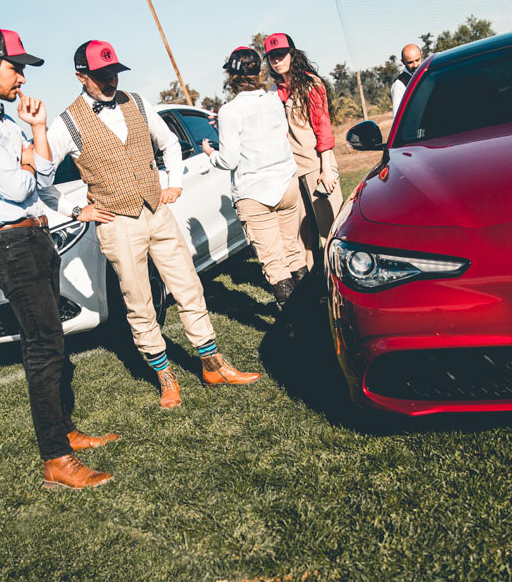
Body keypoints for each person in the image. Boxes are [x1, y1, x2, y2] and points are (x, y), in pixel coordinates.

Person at [39, 40, 261, 410]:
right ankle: (166, 378)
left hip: (157, 212)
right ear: (81, 76)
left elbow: (170, 143)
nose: (111, 80)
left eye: (114, 72)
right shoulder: (67, 123)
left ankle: (213, 365)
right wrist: (77, 211)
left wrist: (173, 183)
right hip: (116, 223)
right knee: (139, 303)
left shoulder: (137, 103)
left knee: (188, 287)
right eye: (101, 75)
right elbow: (40, 180)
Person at [0, 28, 115, 490]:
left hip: (32, 237)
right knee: (43, 344)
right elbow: (19, 185)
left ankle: (65, 432)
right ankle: (55, 458)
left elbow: (40, 180)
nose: (22, 78)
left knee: (51, 340)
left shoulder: (1, 120)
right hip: (9, 243)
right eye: (15, 67)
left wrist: (35, 135)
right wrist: (29, 155)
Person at [202, 47, 305, 310]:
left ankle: (294, 322)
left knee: (274, 260)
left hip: (255, 192)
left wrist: (211, 153)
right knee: (292, 250)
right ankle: (311, 309)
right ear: (258, 72)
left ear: (231, 75)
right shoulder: (274, 100)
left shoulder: (229, 111)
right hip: (287, 183)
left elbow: (229, 160)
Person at [265, 32, 342, 271]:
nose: (277, 60)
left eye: (281, 54)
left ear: (292, 54)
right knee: (301, 237)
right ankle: (309, 283)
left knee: (330, 231)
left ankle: (339, 278)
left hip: (316, 166)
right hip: (290, 172)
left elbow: (323, 127)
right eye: (271, 57)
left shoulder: (311, 84)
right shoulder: (273, 92)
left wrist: (326, 169)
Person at [391, 43, 424, 117]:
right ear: (403, 62)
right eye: (410, 62)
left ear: (421, 56)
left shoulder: (429, 75)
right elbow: (398, 116)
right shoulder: (399, 85)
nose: (415, 65)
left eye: (417, 60)